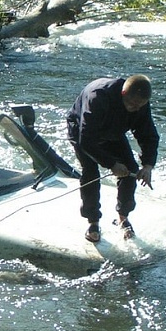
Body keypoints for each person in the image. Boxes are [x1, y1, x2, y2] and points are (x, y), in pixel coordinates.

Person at [66, 75, 159, 242]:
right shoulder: (98, 96)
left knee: (131, 169)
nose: (135, 109)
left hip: (113, 131)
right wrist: (112, 164)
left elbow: (149, 135)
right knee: (91, 172)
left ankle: (123, 217)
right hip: (83, 130)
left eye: (140, 106)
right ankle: (93, 221)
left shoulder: (140, 105)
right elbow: (87, 140)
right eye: (132, 104)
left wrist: (148, 165)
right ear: (123, 93)